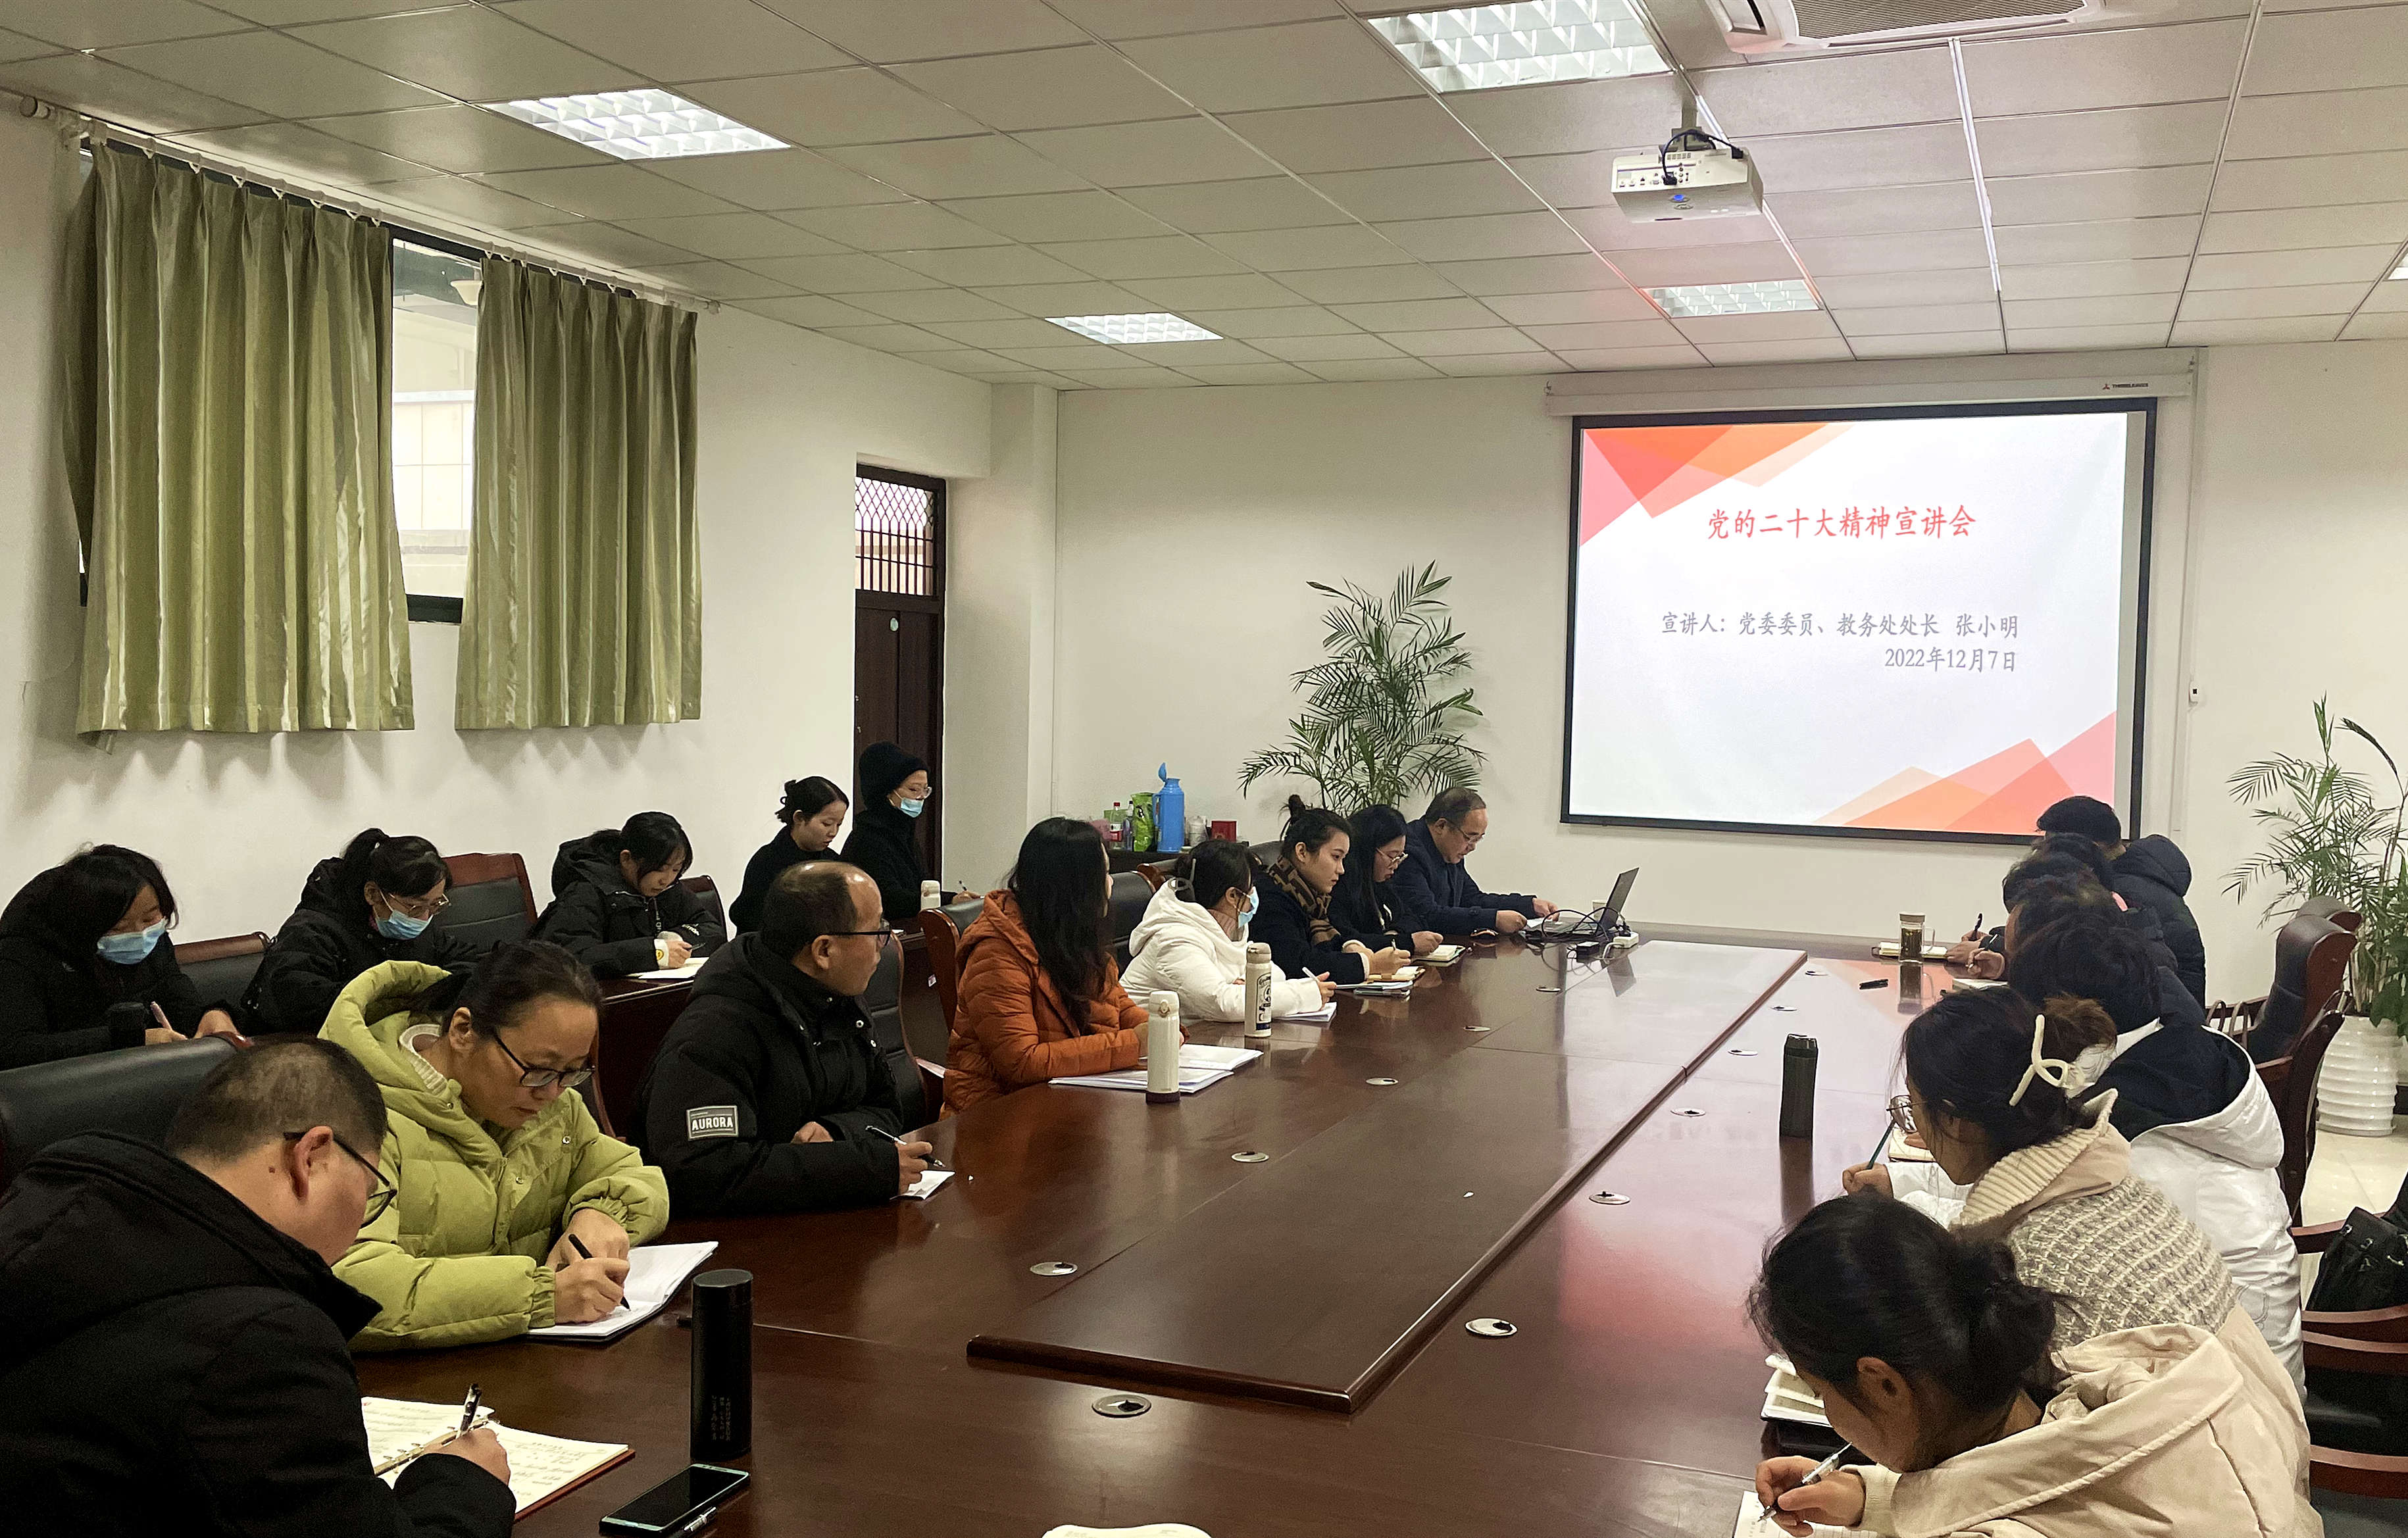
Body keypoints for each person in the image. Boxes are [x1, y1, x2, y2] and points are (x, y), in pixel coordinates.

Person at [0, 1037, 515, 1537]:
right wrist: (464, 1482)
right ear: (312, 1155)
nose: (361, 1219)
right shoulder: (260, 1341)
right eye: (369, 1189)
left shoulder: (43, 1219)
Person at [1748, 1194, 2315, 1537]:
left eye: (1821, 1392)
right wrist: (1874, 1500)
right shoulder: (2123, 1388)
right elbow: (2045, 1495)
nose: (1829, 1412)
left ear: (1884, 1383)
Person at [1840, 988, 2299, 1395]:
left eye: (1913, 1107)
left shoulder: (2023, 1267)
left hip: (2202, 1456)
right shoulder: (2115, 1178)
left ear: (1955, 1120)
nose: (1913, 1121)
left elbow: (2007, 1434)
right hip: (2257, 1431)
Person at [322, 941, 670, 1350]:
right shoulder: (355, 1119)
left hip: (527, 1359)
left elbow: (630, 1173)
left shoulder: (554, 1107)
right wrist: (540, 1296)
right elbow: (352, 1284)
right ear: (463, 1031)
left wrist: (602, 1213)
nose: (552, 1092)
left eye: (572, 1073)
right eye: (538, 1070)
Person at [2007, 908, 2301, 1384]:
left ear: (2068, 1021)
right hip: (2248, 1366)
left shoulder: (2129, 1124)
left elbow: (2020, 1210)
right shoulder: (2188, 1055)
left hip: (2228, 1402)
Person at [638, 862, 932, 1214]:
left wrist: (836, 1132)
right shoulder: (716, 1030)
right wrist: (861, 1168)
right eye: (876, 931)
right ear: (824, 951)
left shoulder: (839, 998)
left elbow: (886, 1107)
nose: (883, 945)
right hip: (738, 1236)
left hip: (815, 1218)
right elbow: (702, 1172)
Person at [945, 818, 1155, 1114]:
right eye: (1104, 874)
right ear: (1075, 887)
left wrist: (1161, 1027)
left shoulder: (1073, 937)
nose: (1110, 885)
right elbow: (1022, 1062)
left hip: (1070, 1105)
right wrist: (1134, 1043)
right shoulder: (996, 953)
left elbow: (1119, 1008)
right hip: (997, 1118)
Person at [0, 845, 242, 1066]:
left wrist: (211, 1015)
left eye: (150, 918)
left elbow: (175, 992)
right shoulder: (20, 956)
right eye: (118, 928)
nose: (139, 934)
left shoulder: (155, 939)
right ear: (82, 925)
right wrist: (129, 1040)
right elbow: (15, 1050)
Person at [248, 829, 482, 1037]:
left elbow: (470, 963)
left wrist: (437, 988)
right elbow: (300, 1005)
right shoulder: (312, 932)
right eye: (415, 907)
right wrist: (400, 993)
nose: (425, 918)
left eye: (435, 905)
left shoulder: (417, 928)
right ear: (373, 894)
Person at [1124, 839, 1337, 1024]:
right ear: (1233, 896)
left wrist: (1246, 988)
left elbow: (1274, 973)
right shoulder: (1173, 939)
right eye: (1250, 889)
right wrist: (1303, 994)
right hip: (1150, 1051)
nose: (1254, 896)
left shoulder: (1226, 928)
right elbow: (1222, 1003)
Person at [2038, 794, 2206, 1006]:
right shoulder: (2142, 877)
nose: (2048, 858)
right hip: (2177, 1012)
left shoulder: (2117, 895)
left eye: (2054, 848)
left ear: (2089, 847)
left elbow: (2080, 958)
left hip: (2156, 1017)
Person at [533, 812, 725, 978]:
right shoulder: (585, 892)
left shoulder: (669, 889)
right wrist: (654, 953)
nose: (666, 879)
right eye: (659, 869)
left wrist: (676, 937)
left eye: (676, 869)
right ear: (627, 859)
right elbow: (573, 957)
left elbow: (713, 930)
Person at [1253, 798, 1409, 986]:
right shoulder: (1269, 897)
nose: (1341, 870)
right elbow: (1297, 965)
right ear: (1302, 852)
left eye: (1343, 859)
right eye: (1336, 857)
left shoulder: (1313, 900)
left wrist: (1350, 946)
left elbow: (1327, 946)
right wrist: (1370, 964)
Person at [1388, 787, 1554, 937]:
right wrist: (1493, 919)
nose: (1472, 847)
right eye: (1470, 837)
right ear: (1441, 826)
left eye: (1478, 839)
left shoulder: (1450, 850)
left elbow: (1471, 898)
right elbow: (1427, 915)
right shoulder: (1408, 853)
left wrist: (1529, 905)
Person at [732, 776, 849, 933]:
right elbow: (749, 920)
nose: (833, 832)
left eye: (839, 824)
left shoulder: (833, 862)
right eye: (826, 824)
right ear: (799, 818)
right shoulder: (767, 862)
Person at [1328, 805, 1443, 960]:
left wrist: (1393, 935)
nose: (1396, 865)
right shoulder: (1337, 886)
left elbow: (1414, 918)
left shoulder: (1380, 883)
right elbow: (1347, 941)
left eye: (1400, 856)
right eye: (1392, 856)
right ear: (1368, 850)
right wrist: (1403, 942)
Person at [840, 741, 935, 928]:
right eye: (914, 790)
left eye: (925, 790)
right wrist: (948, 900)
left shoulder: (906, 833)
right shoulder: (868, 839)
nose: (921, 797)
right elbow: (890, 900)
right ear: (887, 792)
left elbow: (923, 887)